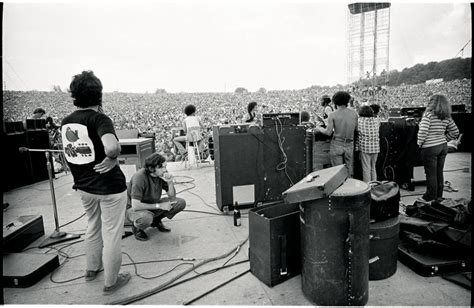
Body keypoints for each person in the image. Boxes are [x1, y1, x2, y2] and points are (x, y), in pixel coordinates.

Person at [61, 70, 130, 295]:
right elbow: (111, 147)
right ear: (99, 94)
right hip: (109, 188)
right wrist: (112, 158)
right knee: (111, 234)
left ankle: (92, 269)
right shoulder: (99, 118)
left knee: (93, 226)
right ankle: (111, 282)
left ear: (74, 95)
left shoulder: (67, 121)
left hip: (84, 186)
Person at [126, 152, 186, 241]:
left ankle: (156, 220)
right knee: (146, 218)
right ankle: (137, 227)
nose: (165, 170)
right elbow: (135, 205)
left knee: (180, 203)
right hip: (135, 210)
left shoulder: (159, 175)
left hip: (152, 204)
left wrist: (170, 182)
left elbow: (172, 197)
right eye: (161, 167)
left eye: (165, 166)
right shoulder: (139, 177)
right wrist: (160, 206)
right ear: (151, 168)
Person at [417, 94, 459, 202]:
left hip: (430, 147)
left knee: (430, 174)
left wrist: (420, 143)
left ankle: (430, 197)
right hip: (442, 147)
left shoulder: (428, 115)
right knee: (439, 173)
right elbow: (455, 132)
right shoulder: (447, 116)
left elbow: (423, 131)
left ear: (432, 103)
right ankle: (438, 197)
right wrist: (444, 139)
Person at [314, 91, 358, 176]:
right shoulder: (354, 113)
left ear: (334, 101)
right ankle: (350, 187)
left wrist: (319, 128)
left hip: (337, 143)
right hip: (350, 144)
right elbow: (356, 129)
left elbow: (328, 132)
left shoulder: (333, 115)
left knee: (338, 172)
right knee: (349, 169)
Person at [356, 105, 380, 182]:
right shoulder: (376, 120)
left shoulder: (359, 121)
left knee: (366, 168)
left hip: (365, 147)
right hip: (375, 147)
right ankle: (374, 185)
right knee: (373, 167)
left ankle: (368, 186)